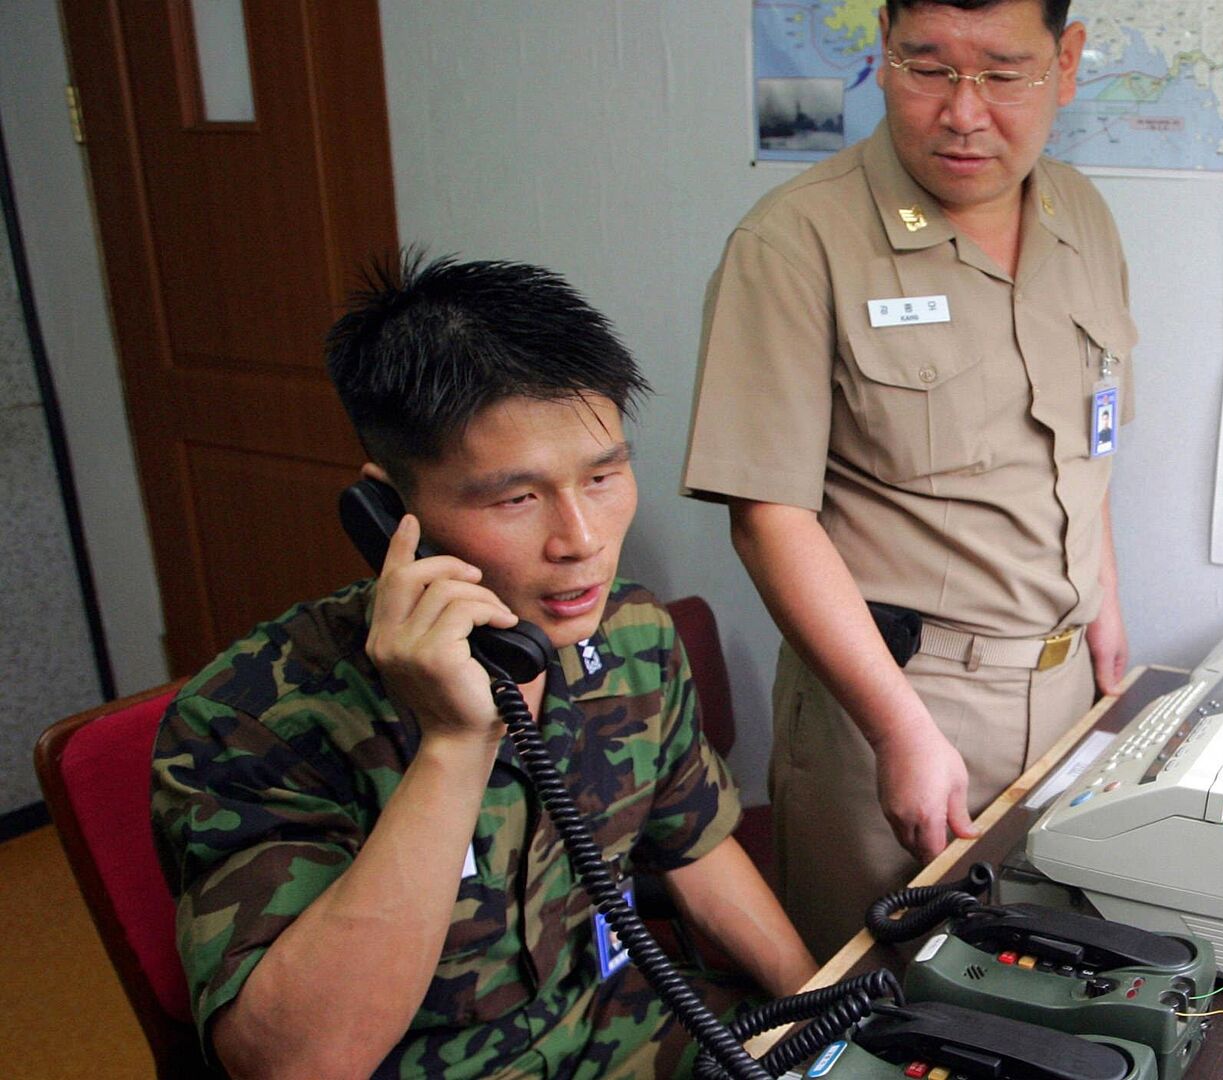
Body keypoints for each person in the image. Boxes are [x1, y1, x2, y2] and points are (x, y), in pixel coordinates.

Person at [152, 256, 816, 1079]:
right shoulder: (251, 714)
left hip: (633, 1035)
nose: (581, 539)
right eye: (516, 499)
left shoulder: (635, 634)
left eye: (604, 476)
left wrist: (825, 1022)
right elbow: (296, 1064)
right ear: (390, 513)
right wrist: (453, 741)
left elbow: (697, 849)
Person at [683, 0, 1138, 959]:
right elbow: (768, 515)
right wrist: (899, 727)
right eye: (927, 68)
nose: (963, 113)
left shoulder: (1079, 215)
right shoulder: (796, 243)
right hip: (896, 705)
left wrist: (1105, 616)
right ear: (882, 54)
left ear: (1065, 61)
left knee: (1028, 994)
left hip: (1063, 702)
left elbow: (1086, 451)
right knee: (877, 1007)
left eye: (1003, 74)